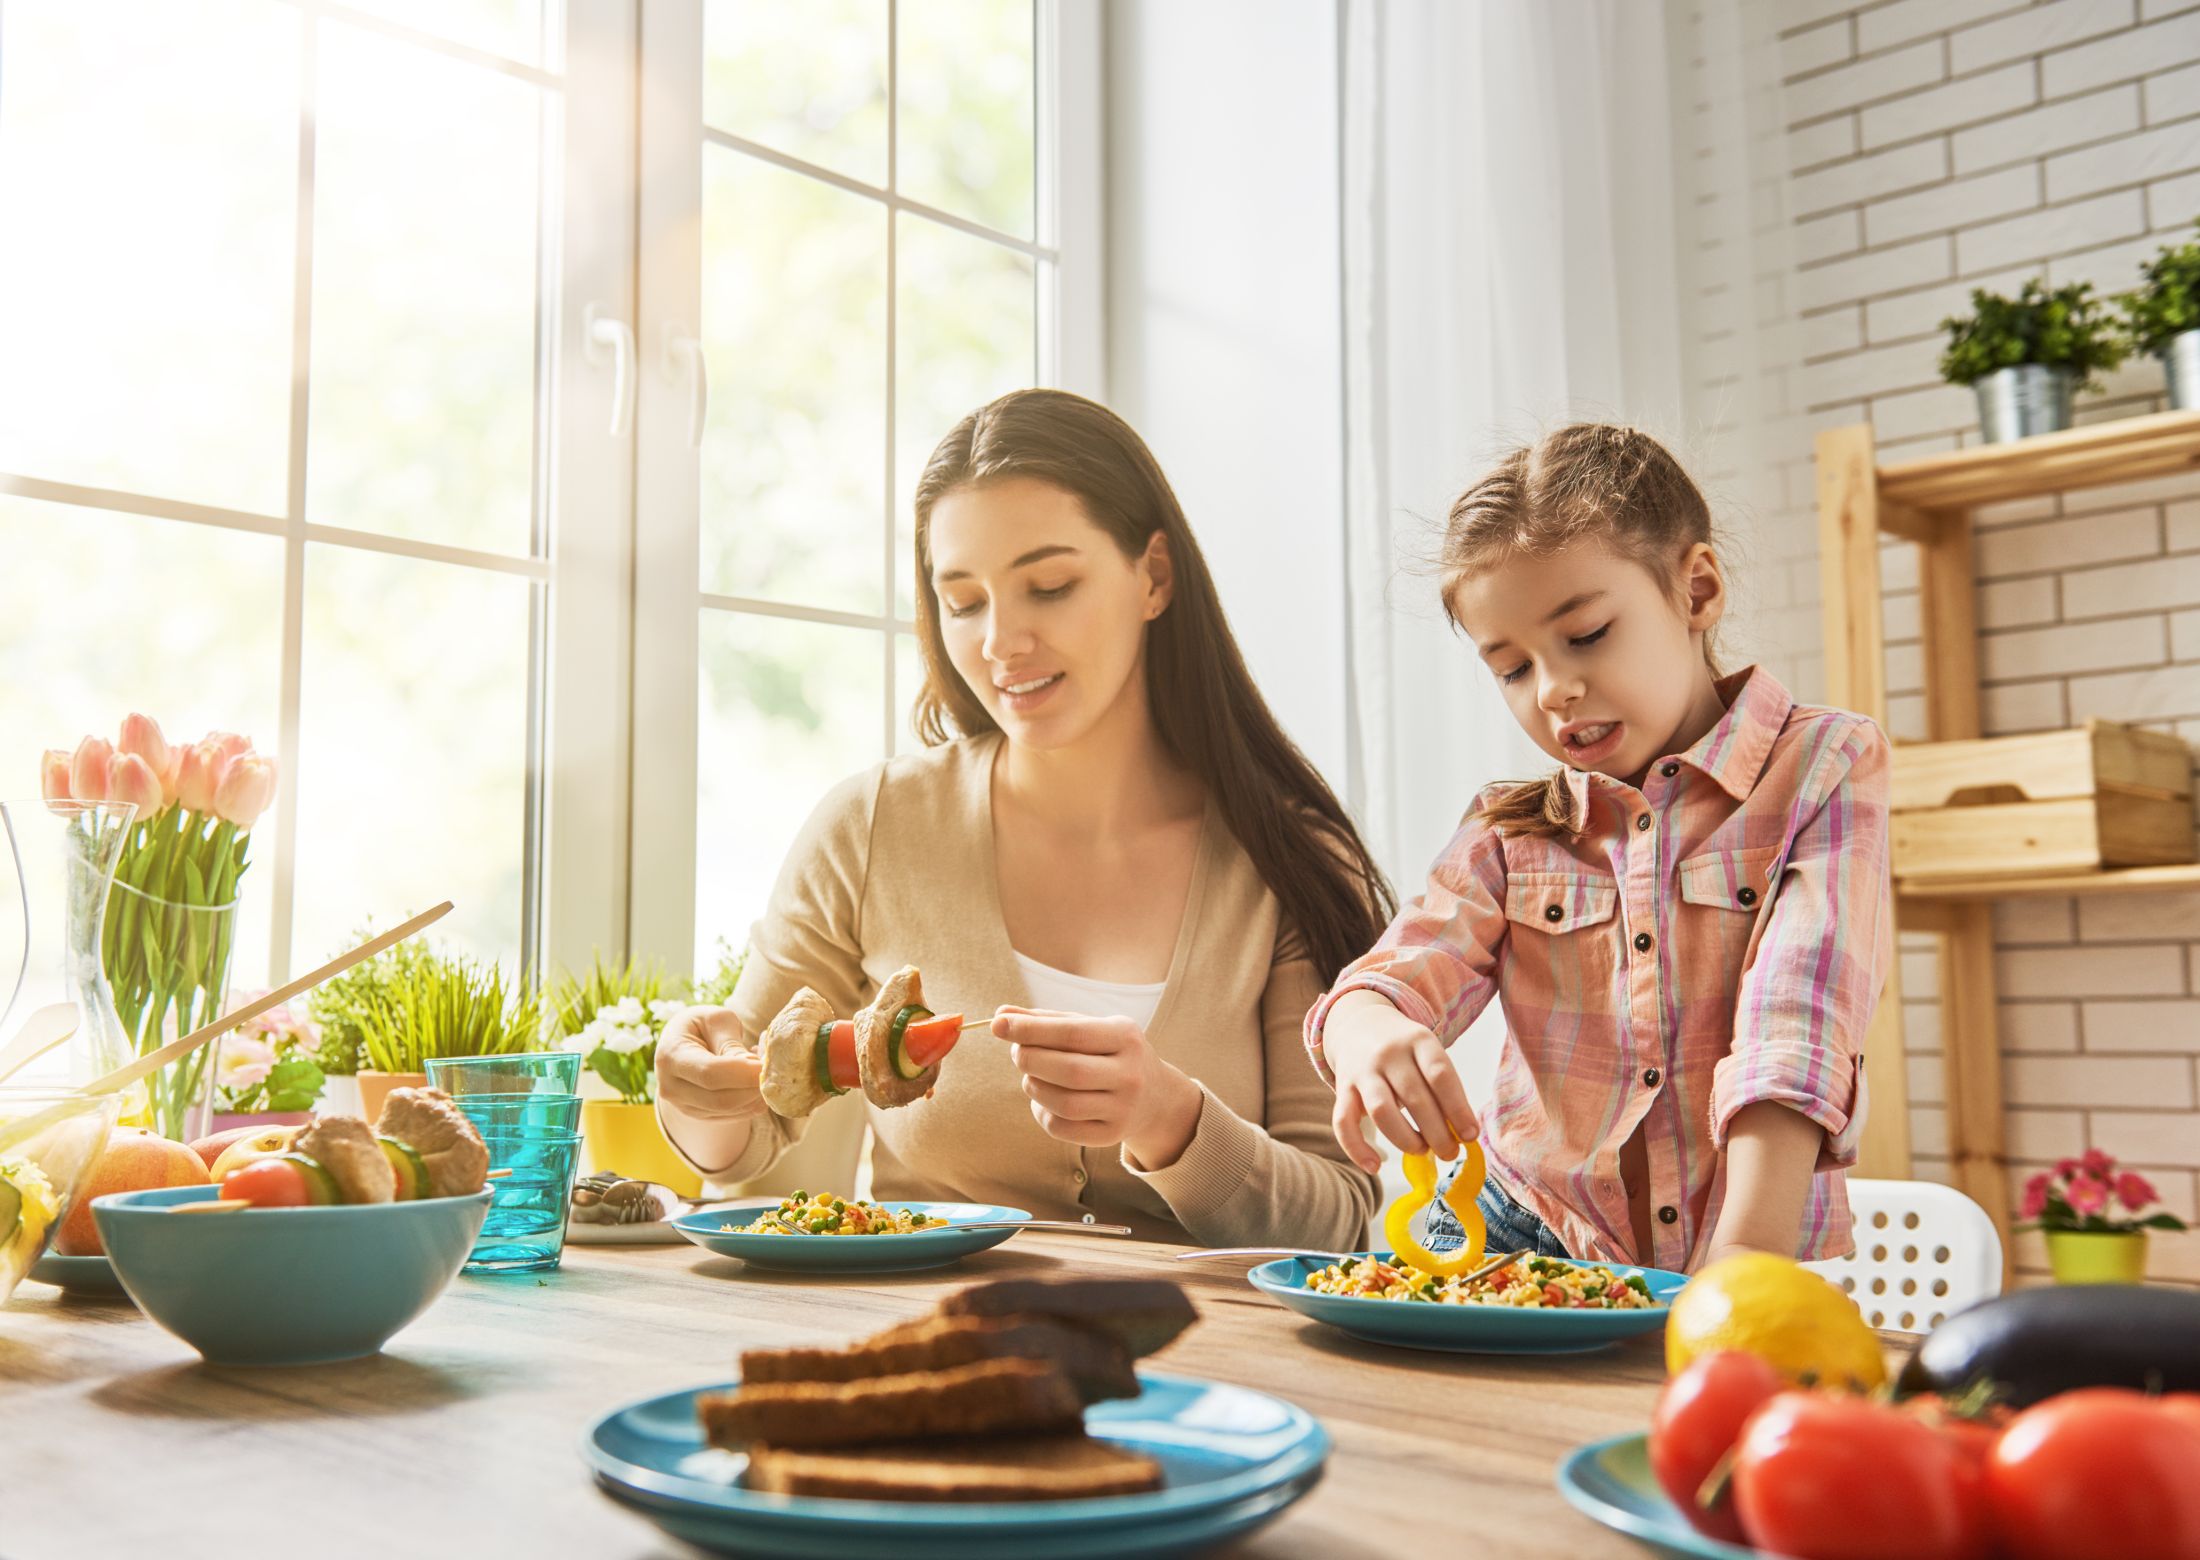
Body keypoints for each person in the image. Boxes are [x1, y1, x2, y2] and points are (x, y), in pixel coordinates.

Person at [655, 388, 1391, 1249]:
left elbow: (1335, 1223)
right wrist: (696, 1097)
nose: (1002, 642)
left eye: (1049, 586)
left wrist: (1168, 1117)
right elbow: (747, 1135)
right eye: (964, 602)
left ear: (1154, 576)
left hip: (1204, 1370)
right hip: (927, 1352)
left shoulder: (1288, 855)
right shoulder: (869, 828)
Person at [1305, 423, 1890, 1271]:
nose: (1553, 690)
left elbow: (1794, 1025)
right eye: (1511, 668)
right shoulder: (1510, 827)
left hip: (1744, 1246)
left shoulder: (1823, 766)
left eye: (1584, 636)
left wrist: (1744, 1266)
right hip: (1521, 1238)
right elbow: (1395, 974)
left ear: (1696, 590)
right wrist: (1365, 1031)